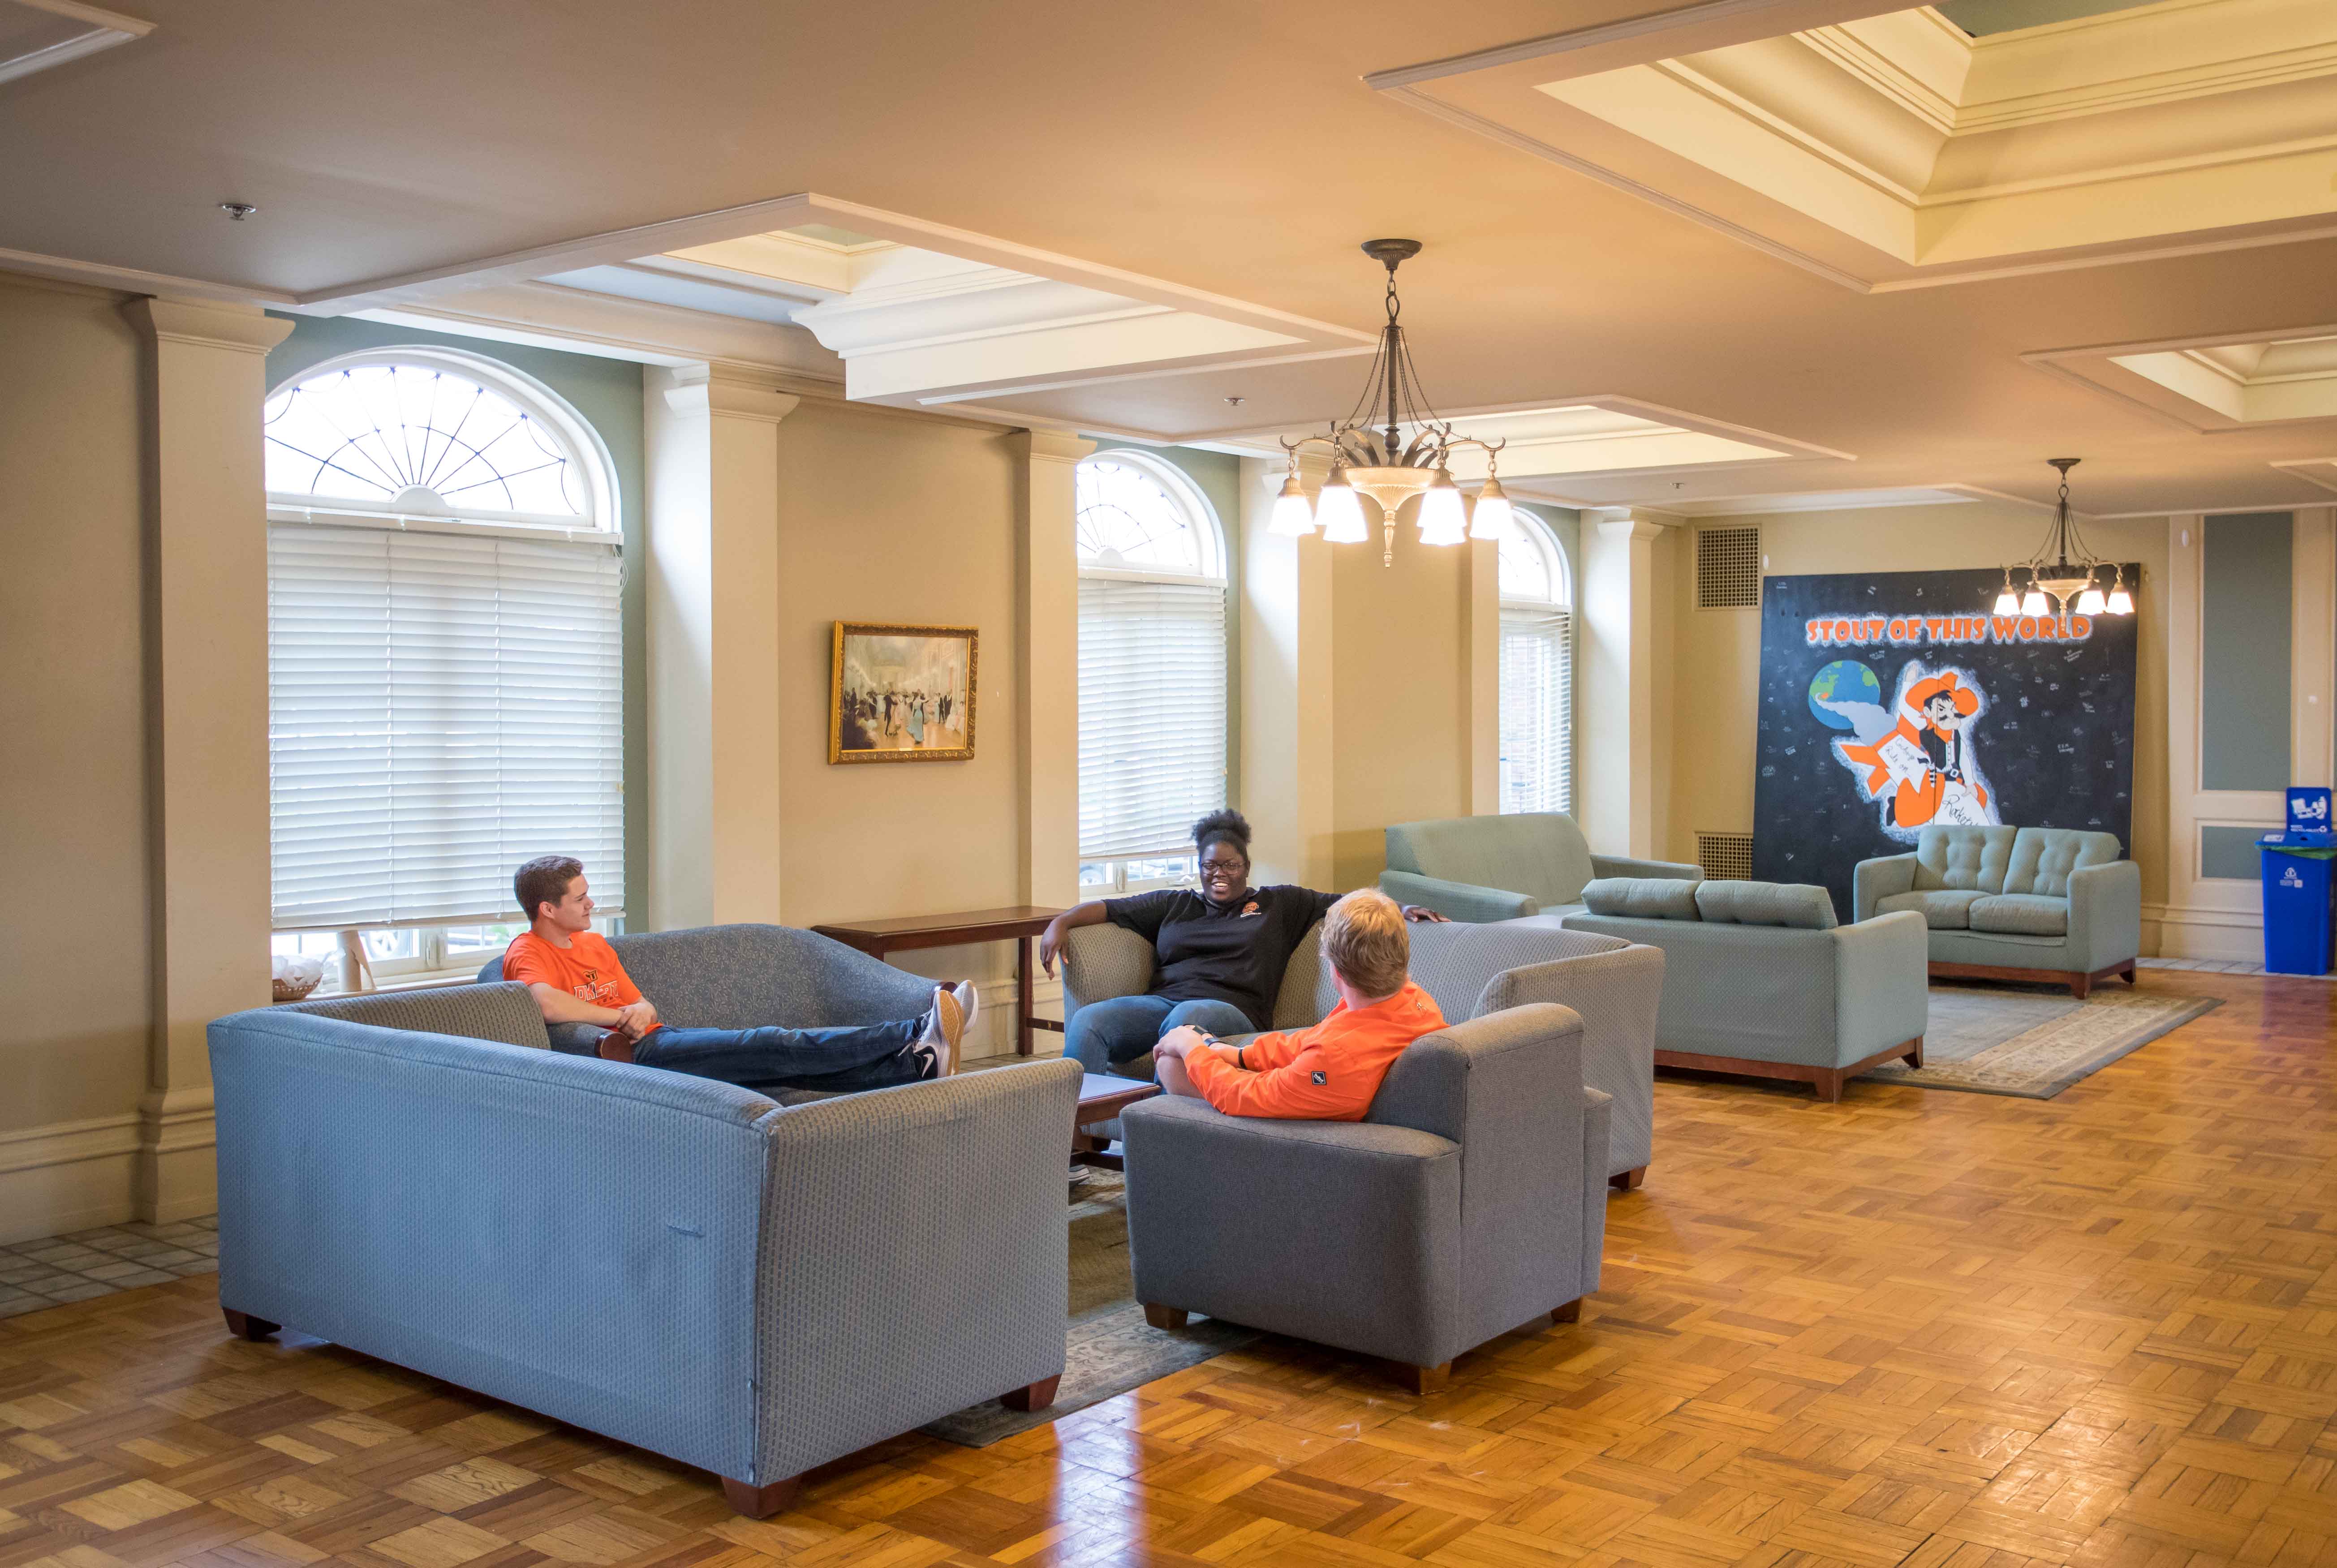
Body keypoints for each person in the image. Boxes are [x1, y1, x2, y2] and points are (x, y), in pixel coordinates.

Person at [500, 855, 975, 1093]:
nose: (591, 905)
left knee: (782, 1064)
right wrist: (618, 1014)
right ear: (547, 908)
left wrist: (637, 1009)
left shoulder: (593, 944)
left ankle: (916, 1064)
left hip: (657, 1037)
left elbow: (641, 1004)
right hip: (637, 1062)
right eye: (580, 899)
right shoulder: (528, 951)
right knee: (771, 1043)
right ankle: (917, 1029)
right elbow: (543, 1003)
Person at [1037, 809, 1446, 1079]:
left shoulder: (1278, 903)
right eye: (1210, 865)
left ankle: (1163, 1137)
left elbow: (1344, 901)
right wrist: (1063, 920)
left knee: (1188, 1014)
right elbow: (1110, 908)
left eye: (1229, 865)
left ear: (1245, 867)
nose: (1219, 873)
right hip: (1165, 1003)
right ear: (1199, 868)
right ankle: (1067, 1144)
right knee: (1089, 1020)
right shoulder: (1174, 903)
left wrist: (1402, 905)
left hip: (1235, 1011)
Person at [1153, 889, 1443, 1119]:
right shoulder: (1410, 998)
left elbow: (1238, 1095)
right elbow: (1314, 1039)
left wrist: (1190, 1047)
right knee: (1182, 1056)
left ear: (1336, 971)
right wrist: (1237, 1055)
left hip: (1300, 1139)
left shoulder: (1336, 1057)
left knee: (1171, 1065)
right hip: (1322, 1093)